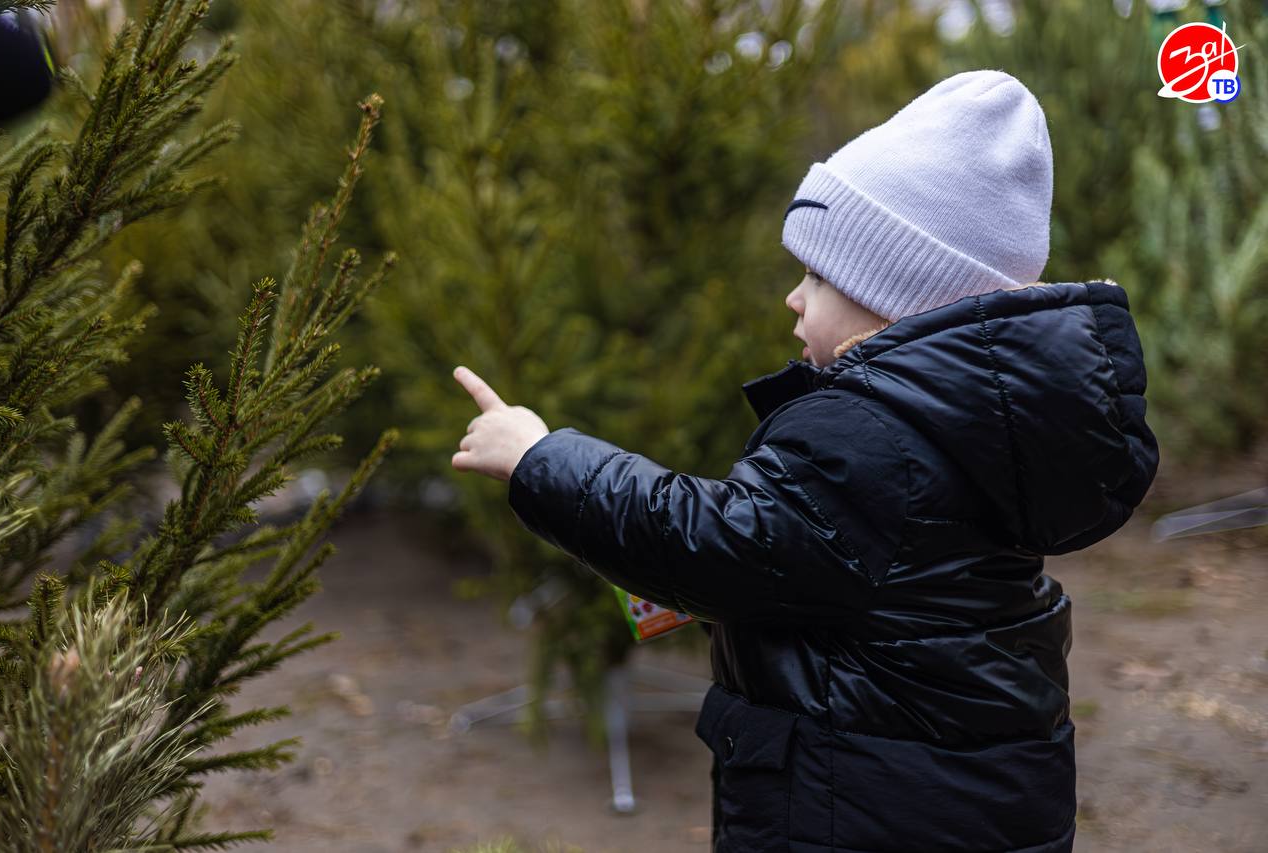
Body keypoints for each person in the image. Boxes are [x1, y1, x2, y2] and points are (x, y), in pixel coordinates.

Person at [451, 69, 1159, 853]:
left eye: (817, 275)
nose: (793, 296)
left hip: (852, 809)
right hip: (962, 803)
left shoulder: (866, 437)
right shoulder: (975, 428)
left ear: (890, 295)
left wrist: (539, 457)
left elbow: (710, 541)